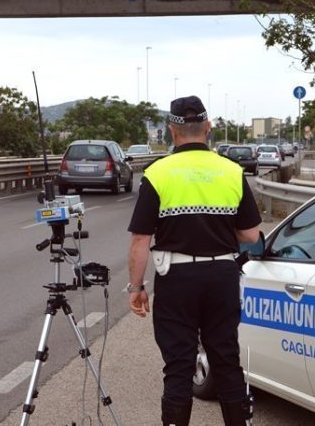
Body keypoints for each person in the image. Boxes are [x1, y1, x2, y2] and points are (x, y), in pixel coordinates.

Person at [126, 95, 261, 426]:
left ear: (172, 131)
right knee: (225, 359)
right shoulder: (231, 171)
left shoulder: (158, 173)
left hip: (177, 278)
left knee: (179, 363)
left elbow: (141, 239)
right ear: (209, 128)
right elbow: (251, 235)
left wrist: (136, 287)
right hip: (222, 276)